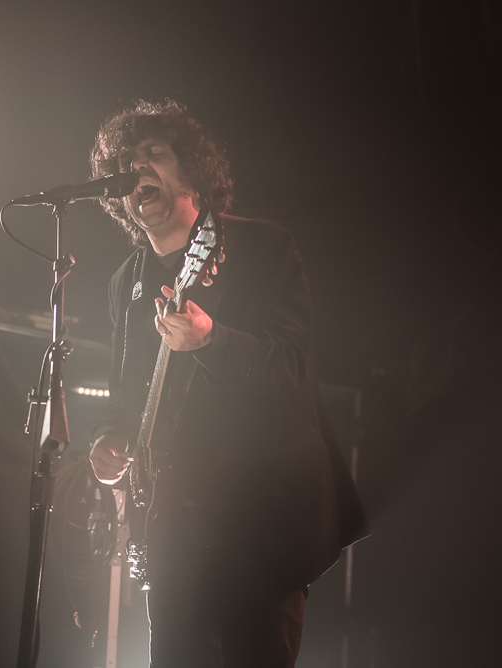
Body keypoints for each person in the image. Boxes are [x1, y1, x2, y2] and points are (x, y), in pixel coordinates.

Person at [87, 99, 367, 667]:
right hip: (172, 532)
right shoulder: (126, 281)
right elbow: (125, 395)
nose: (138, 170)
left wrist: (212, 341)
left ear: (190, 171)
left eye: (154, 155)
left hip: (259, 525)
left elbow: (289, 367)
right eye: (127, 162)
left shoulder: (260, 247)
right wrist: (107, 440)